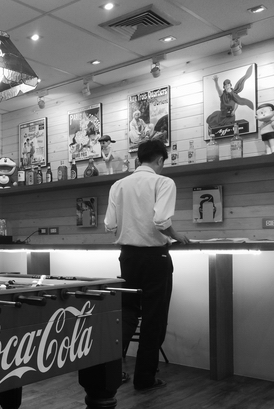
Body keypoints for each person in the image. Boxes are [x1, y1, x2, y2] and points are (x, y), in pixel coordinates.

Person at [104, 139, 191, 392]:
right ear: (160, 160)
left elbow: (110, 225)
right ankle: (144, 379)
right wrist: (176, 235)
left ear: (138, 159)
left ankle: (109, 371)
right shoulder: (163, 182)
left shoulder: (118, 185)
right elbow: (161, 220)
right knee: (154, 318)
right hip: (155, 258)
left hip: (128, 257)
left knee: (127, 313)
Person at [206, 66, 254, 130]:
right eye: (225, 85)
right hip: (222, 115)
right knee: (217, 126)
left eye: (228, 85)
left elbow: (236, 103)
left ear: (230, 85)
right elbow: (218, 89)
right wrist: (216, 81)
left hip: (230, 116)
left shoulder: (234, 94)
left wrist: (234, 110)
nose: (227, 86)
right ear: (224, 87)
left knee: (229, 128)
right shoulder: (222, 94)